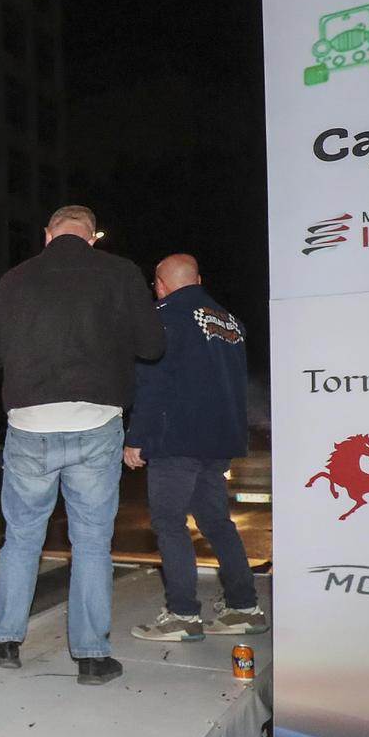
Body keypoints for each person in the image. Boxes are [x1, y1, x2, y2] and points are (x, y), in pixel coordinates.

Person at [0, 205, 165, 687]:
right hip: (96, 423)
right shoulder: (120, 273)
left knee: (22, 536)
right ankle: (93, 657)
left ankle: (6, 641)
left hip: (30, 425)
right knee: (93, 540)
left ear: (48, 234)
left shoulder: (15, 279)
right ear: (93, 236)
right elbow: (152, 347)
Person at [125, 254, 266, 642]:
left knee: (169, 524)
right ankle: (244, 608)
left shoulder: (164, 316)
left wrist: (137, 437)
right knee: (217, 522)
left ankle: (183, 616)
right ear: (199, 280)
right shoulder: (230, 321)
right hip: (219, 439)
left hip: (178, 440)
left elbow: (153, 382)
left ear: (160, 284)